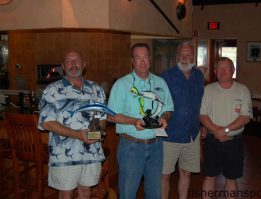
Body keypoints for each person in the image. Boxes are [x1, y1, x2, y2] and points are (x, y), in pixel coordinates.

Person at [107, 43, 174, 199]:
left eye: (145, 57)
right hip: (131, 147)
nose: (142, 62)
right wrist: (133, 121)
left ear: (150, 60)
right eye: (138, 58)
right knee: (128, 193)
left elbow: (169, 108)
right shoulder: (121, 85)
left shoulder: (160, 83)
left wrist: (164, 117)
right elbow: (110, 115)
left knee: (155, 193)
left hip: (156, 145)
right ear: (132, 61)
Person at [38, 50, 106, 198]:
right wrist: (77, 135)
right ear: (63, 66)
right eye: (69, 61)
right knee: (66, 193)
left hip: (91, 152)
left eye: (77, 60)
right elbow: (47, 123)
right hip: (63, 154)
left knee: (85, 192)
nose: (73, 64)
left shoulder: (96, 89)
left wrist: (94, 134)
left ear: (84, 64)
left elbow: (101, 118)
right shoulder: (51, 90)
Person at [200, 57, 252, 199]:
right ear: (215, 71)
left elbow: (245, 117)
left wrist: (225, 130)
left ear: (233, 70)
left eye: (226, 68)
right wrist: (216, 130)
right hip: (212, 141)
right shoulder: (207, 90)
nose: (223, 71)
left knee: (231, 178)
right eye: (219, 68)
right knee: (209, 177)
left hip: (234, 141)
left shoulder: (243, 90)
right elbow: (202, 115)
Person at [160, 41, 204, 199]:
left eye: (188, 55)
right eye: (182, 55)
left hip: (192, 134)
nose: (185, 58)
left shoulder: (199, 76)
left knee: (186, 172)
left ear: (194, 57)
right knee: (164, 175)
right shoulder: (165, 77)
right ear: (177, 57)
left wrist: (203, 125)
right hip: (170, 135)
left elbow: (200, 103)